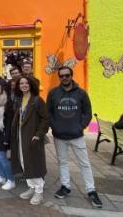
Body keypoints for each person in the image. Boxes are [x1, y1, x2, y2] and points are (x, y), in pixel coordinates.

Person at [47, 67, 103, 208]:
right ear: (59, 77)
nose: (64, 78)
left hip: (76, 135)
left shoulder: (81, 94)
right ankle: (65, 186)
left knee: (84, 163)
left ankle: (91, 190)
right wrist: (55, 127)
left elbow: (87, 113)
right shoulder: (53, 93)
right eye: (61, 76)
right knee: (62, 162)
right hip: (59, 135)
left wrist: (80, 127)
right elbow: (49, 113)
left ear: (72, 76)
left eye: (67, 75)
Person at [11, 76, 49, 205]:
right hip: (21, 136)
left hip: (32, 137)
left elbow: (45, 119)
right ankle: (32, 188)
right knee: (24, 162)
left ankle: (39, 192)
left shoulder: (37, 100)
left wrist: (38, 135)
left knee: (34, 164)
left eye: (26, 83)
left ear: (31, 84)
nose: (24, 85)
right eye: (21, 83)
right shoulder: (21, 99)